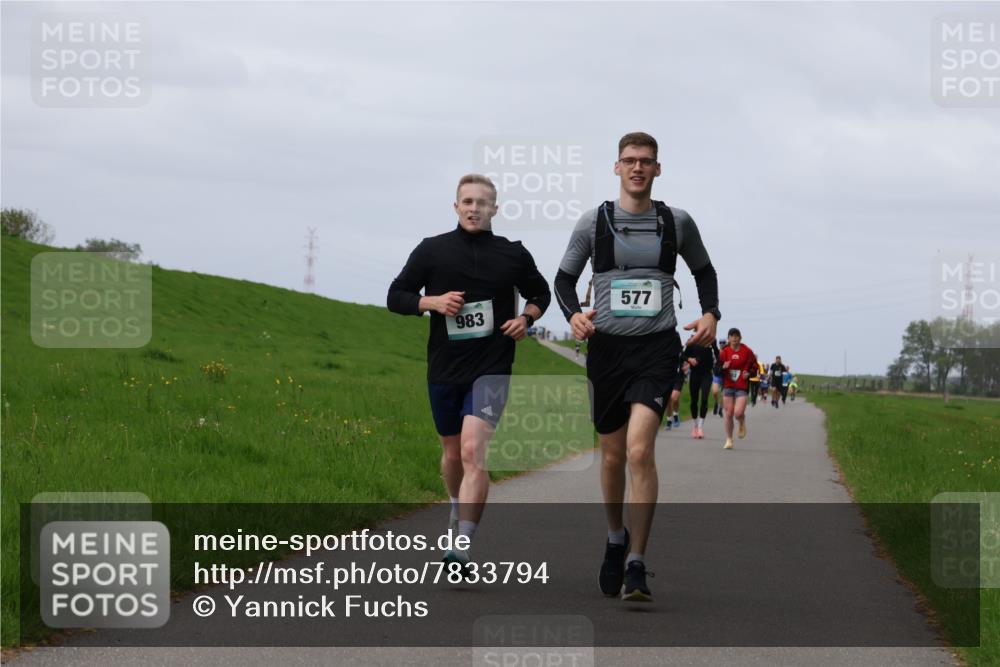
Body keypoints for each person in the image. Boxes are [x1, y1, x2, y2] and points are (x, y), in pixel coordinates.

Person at [553, 132, 720, 602]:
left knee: (640, 450)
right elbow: (564, 278)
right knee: (611, 456)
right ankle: (614, 538)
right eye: (629, 161)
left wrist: (710, 314)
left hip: (655, 349)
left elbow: (704, 271)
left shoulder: (676, 222)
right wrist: (573, 315)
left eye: (646, 161)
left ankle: (637, 564)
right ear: (616, 167)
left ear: (658, 169)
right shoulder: (595, 222)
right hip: (607, 350)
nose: (638, 168)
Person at [387, 174, 551, 567]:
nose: (474, 208)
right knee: (451, 454)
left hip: (493, 367)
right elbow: (396, 296)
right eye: (467, 202)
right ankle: (456, 503)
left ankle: (461, 544)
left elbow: (540, 293)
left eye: (482, 202)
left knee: (473, 450)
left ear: (495, 208)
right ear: (456, 206)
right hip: (445, 368)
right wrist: (433, 302)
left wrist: (526, 319)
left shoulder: (513, 254)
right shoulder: (432, 251)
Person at [719, 328, 757, 450]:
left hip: (742, 386)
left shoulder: (747, 351)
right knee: (729, 414)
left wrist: (749, 374)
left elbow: (755, 367)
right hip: (728, 386)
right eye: (732, 336)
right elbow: (716, 370)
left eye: (737, 336)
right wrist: (723, 367)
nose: (734, 339)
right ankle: (729, 440)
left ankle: (741, 421)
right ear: (728, 338)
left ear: (740, 338)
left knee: (738, 412)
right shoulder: (724, 352)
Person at [685, 342, 716, 438]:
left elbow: (718, 353)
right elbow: (683, 355)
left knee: (704, 399)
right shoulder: (692, 342)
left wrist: (714, 345)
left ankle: (700, 427)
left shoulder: (710, 340)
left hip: (707, 374)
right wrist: (689, 359)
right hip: (695, 374)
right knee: (694, 401)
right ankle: (695, 425)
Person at [711, 339, 726, 418]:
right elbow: (714, 347)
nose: (722, 344)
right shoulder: (718, 353)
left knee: (723, 394)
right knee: (715, 392)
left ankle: (720, 408)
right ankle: (716, 403)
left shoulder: (729, 353)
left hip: (726, 376)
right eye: (721, 343)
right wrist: (713, 340)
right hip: (717, 374)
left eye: (724, 343)